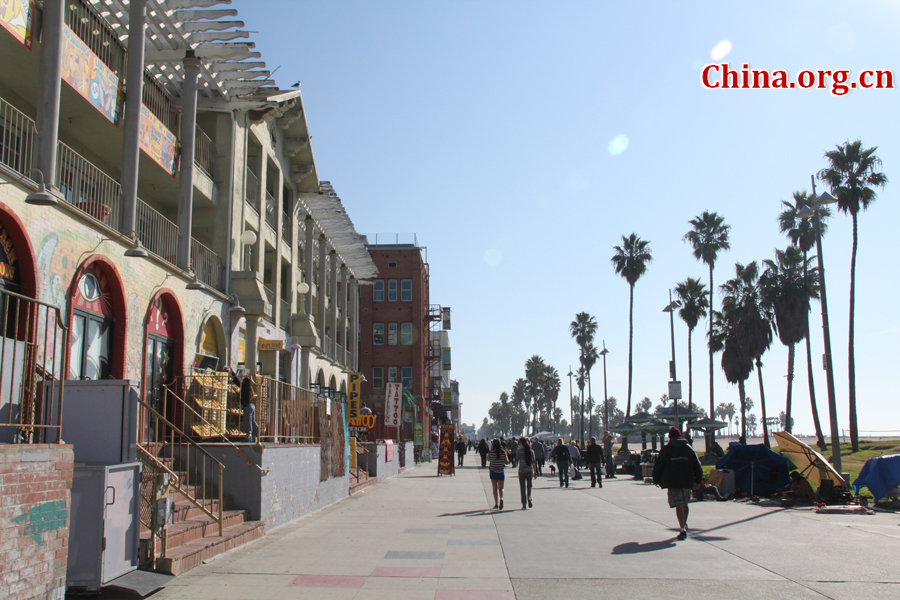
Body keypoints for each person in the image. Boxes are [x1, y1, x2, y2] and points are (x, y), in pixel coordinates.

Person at [652, 427, 703, 541]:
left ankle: (682, 528)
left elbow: (659, 465)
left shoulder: (666, 449)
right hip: (687, 480)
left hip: (673, 481)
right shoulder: (688, 449)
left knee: (679, 504)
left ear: (670, 437)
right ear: (680, 436)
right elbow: (697, 465)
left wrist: (656, 479)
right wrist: (698, 480)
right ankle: (684, 524)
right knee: (685, 503)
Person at [488, 438, 509, 510]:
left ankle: (496, 503)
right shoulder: (503, 452)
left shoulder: (491, 452)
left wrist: (491, 449)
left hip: (493, 471)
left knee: (494, 487)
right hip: (500, 471)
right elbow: (507, 462)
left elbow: (488, 459)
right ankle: (501, 498)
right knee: (501, 488)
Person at [516, 437, 536, 509]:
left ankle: (524, 504)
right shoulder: (531, 451)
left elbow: (516, 461)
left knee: (523, 487)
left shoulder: (519, 451)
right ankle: (529, 498)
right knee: (529, 486)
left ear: (521, 444)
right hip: (529, 471)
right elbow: (533, 463)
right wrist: (535, 472)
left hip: (522, 471)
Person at [239, 374, 259, 443]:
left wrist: (233, 374)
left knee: (248, 422)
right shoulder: (250, 388)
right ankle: (259, 435)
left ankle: (249, 436)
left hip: (247, 407)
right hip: (252, 405)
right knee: (253, 421)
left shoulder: (244, 387)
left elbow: (237, 382)